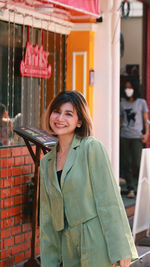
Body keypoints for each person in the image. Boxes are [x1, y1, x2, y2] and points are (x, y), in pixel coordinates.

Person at [40, 91, 138, 267]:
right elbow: (48, 218)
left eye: (68, 113)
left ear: (79, 121)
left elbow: (109, 202)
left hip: (96, 241)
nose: (60, 118)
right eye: (56, 111)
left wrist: (121, 250)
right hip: (67, 246)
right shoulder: (46, 162)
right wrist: (50, 261)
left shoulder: (91, 148)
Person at [120, 79, 149, 198]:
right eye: (126, 88)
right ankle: (131, 188)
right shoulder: (122, 103)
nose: (128, 90)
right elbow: (120, 119)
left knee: (137, 163)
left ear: (135, 89)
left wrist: (146, 133)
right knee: (126, 163)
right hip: (124, 136)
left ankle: (140, 187)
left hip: (137, 136)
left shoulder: (141, 102)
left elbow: (146, 119)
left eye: (130, 87)